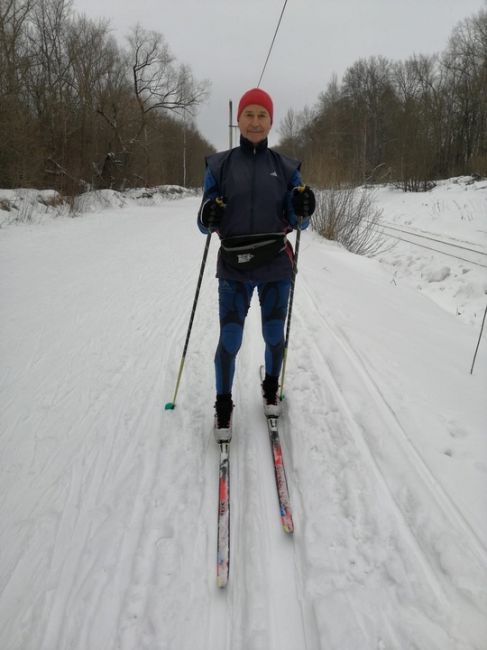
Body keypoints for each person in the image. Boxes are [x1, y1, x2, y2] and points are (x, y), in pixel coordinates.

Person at [197, 87, 315, 442]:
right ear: (239, 120)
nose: (255, 121)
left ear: (271, 121)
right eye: (249, 114)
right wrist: (209, 211)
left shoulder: (286, 166)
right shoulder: (219, 165)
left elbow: (300, 222)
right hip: (233, 265)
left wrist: (305, 206)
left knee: (273, 333)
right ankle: (223, 404)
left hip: (275, 263)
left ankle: (270, 387)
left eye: (262, 115)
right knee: (230, 338)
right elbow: (203, 223)